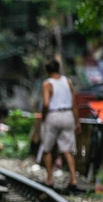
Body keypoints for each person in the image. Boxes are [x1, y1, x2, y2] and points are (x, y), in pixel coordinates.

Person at [39, 58, 81, 191]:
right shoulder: (67, 82)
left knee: (47, 148)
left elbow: (46, 103)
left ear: (47, 71)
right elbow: (74, 103)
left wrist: (44, 117)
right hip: (68, 115)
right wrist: (77, 121)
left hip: (53, 115)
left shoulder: (47, 84)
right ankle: (73, 179)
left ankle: (50, 179)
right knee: (67, 149)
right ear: (59, 69)